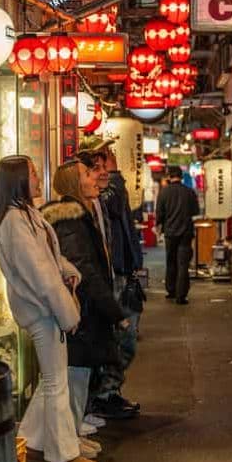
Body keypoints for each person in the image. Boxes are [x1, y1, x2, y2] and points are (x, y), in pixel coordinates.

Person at [0, 155, 99, 462]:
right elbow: (41, 275)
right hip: (43, 311)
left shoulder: (26, 216)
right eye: (33, 173)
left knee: (53, 381)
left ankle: (37, 445)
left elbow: (50, 261)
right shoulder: (15, 222)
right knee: (56, 382)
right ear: (19, 180)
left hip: (45, 309)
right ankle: (63, 457)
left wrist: (68, 271)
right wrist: (68, 312)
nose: (39, 178)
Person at [41, 160, 128, 443]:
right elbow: (85, 271)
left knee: (79, 375)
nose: (94, 177)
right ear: (74, 183)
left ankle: (72, 438)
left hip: (86, 312)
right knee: (74, 376)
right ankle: (67, 444)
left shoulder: (82, 214)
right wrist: (114, 311)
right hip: (81, 313)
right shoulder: (69, 219)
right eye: (87, 174)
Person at [79, 139, 143, 419]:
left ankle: (109, 393)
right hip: (108, 280)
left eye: (106, 166)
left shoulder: (102, 198)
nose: (103, 172)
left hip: (122, 274)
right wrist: (115, 172)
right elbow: (117, 199)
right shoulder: (97, 199)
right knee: (117, 340)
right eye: (98, 167)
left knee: (124, 341)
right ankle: (103, 396)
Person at [155, 165, 199, 304]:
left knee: (171, 261)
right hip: (186, 232)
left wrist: (159, 225)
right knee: (183, 263)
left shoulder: (164, 193)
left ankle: (171, 290)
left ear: (169, 176)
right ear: (181, 176)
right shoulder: (190, 192)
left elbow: (159, 213)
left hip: (170, 232)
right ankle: (181, 295)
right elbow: (195, 211)